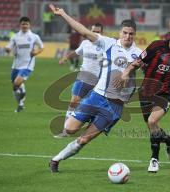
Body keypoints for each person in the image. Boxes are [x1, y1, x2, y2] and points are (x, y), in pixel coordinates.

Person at [48, 4, 142, 173]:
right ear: (120, 32)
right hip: (96, 97)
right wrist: (63, 14)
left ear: (135, 35)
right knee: (69, 129)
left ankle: (56, 159)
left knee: (84, 140)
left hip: (114, 107)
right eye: (125, 33)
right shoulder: (109, 44)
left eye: (131, 34)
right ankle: (82, 121)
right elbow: (84, 31)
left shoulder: (139, 53)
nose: (128, 36)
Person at [117, 26, 170, 173]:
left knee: (152, 121)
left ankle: (154, 160)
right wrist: (126, 73)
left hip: (165, 93)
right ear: (169, 36)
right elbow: (138, 61)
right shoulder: (156, 46)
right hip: (146, 91)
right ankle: (168, 139)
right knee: (153, 128)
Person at [54, 23, 104, 138]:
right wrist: (66, 57)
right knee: (74, 101)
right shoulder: (85, 43)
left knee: (91, 106)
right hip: (82, 77)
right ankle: (66, 130)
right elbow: (76, 52)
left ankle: (92, 126)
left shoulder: (104, 46)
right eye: (93, 31)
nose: (95, 33)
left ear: (101, 33)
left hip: (97, 81)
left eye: (97, 32)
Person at [5, 16, 44, 112]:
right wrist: (8, 49)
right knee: (15, 86)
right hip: (16, 65)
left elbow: (42, 47)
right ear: (20, 25)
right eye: (23, 24)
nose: (25, 26)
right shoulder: (15, 37)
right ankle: (20, 104)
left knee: (17, 83)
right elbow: (9, 47)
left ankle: (22, 94)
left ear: (29, 25)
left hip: (28, 65)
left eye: (26, 24)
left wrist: (36, 52)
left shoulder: (34, 37)